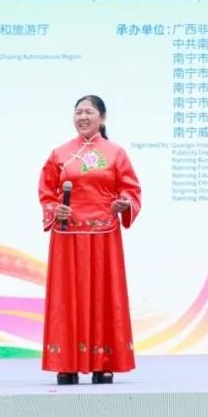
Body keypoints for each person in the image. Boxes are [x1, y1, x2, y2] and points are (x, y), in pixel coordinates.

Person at [38, 95, 142, 385]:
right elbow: (46, 192)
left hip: (103, 235)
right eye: (78, 112)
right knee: (66, 298)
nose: (82, 117)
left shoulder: (116, 153)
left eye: (89, 112)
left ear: (103, 118)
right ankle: (66, 362)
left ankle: (103, 361)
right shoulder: (59, 153)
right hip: (67, 235)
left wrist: (124, 203)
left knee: (103, 296)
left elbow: (131, 190)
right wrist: (54, 209)